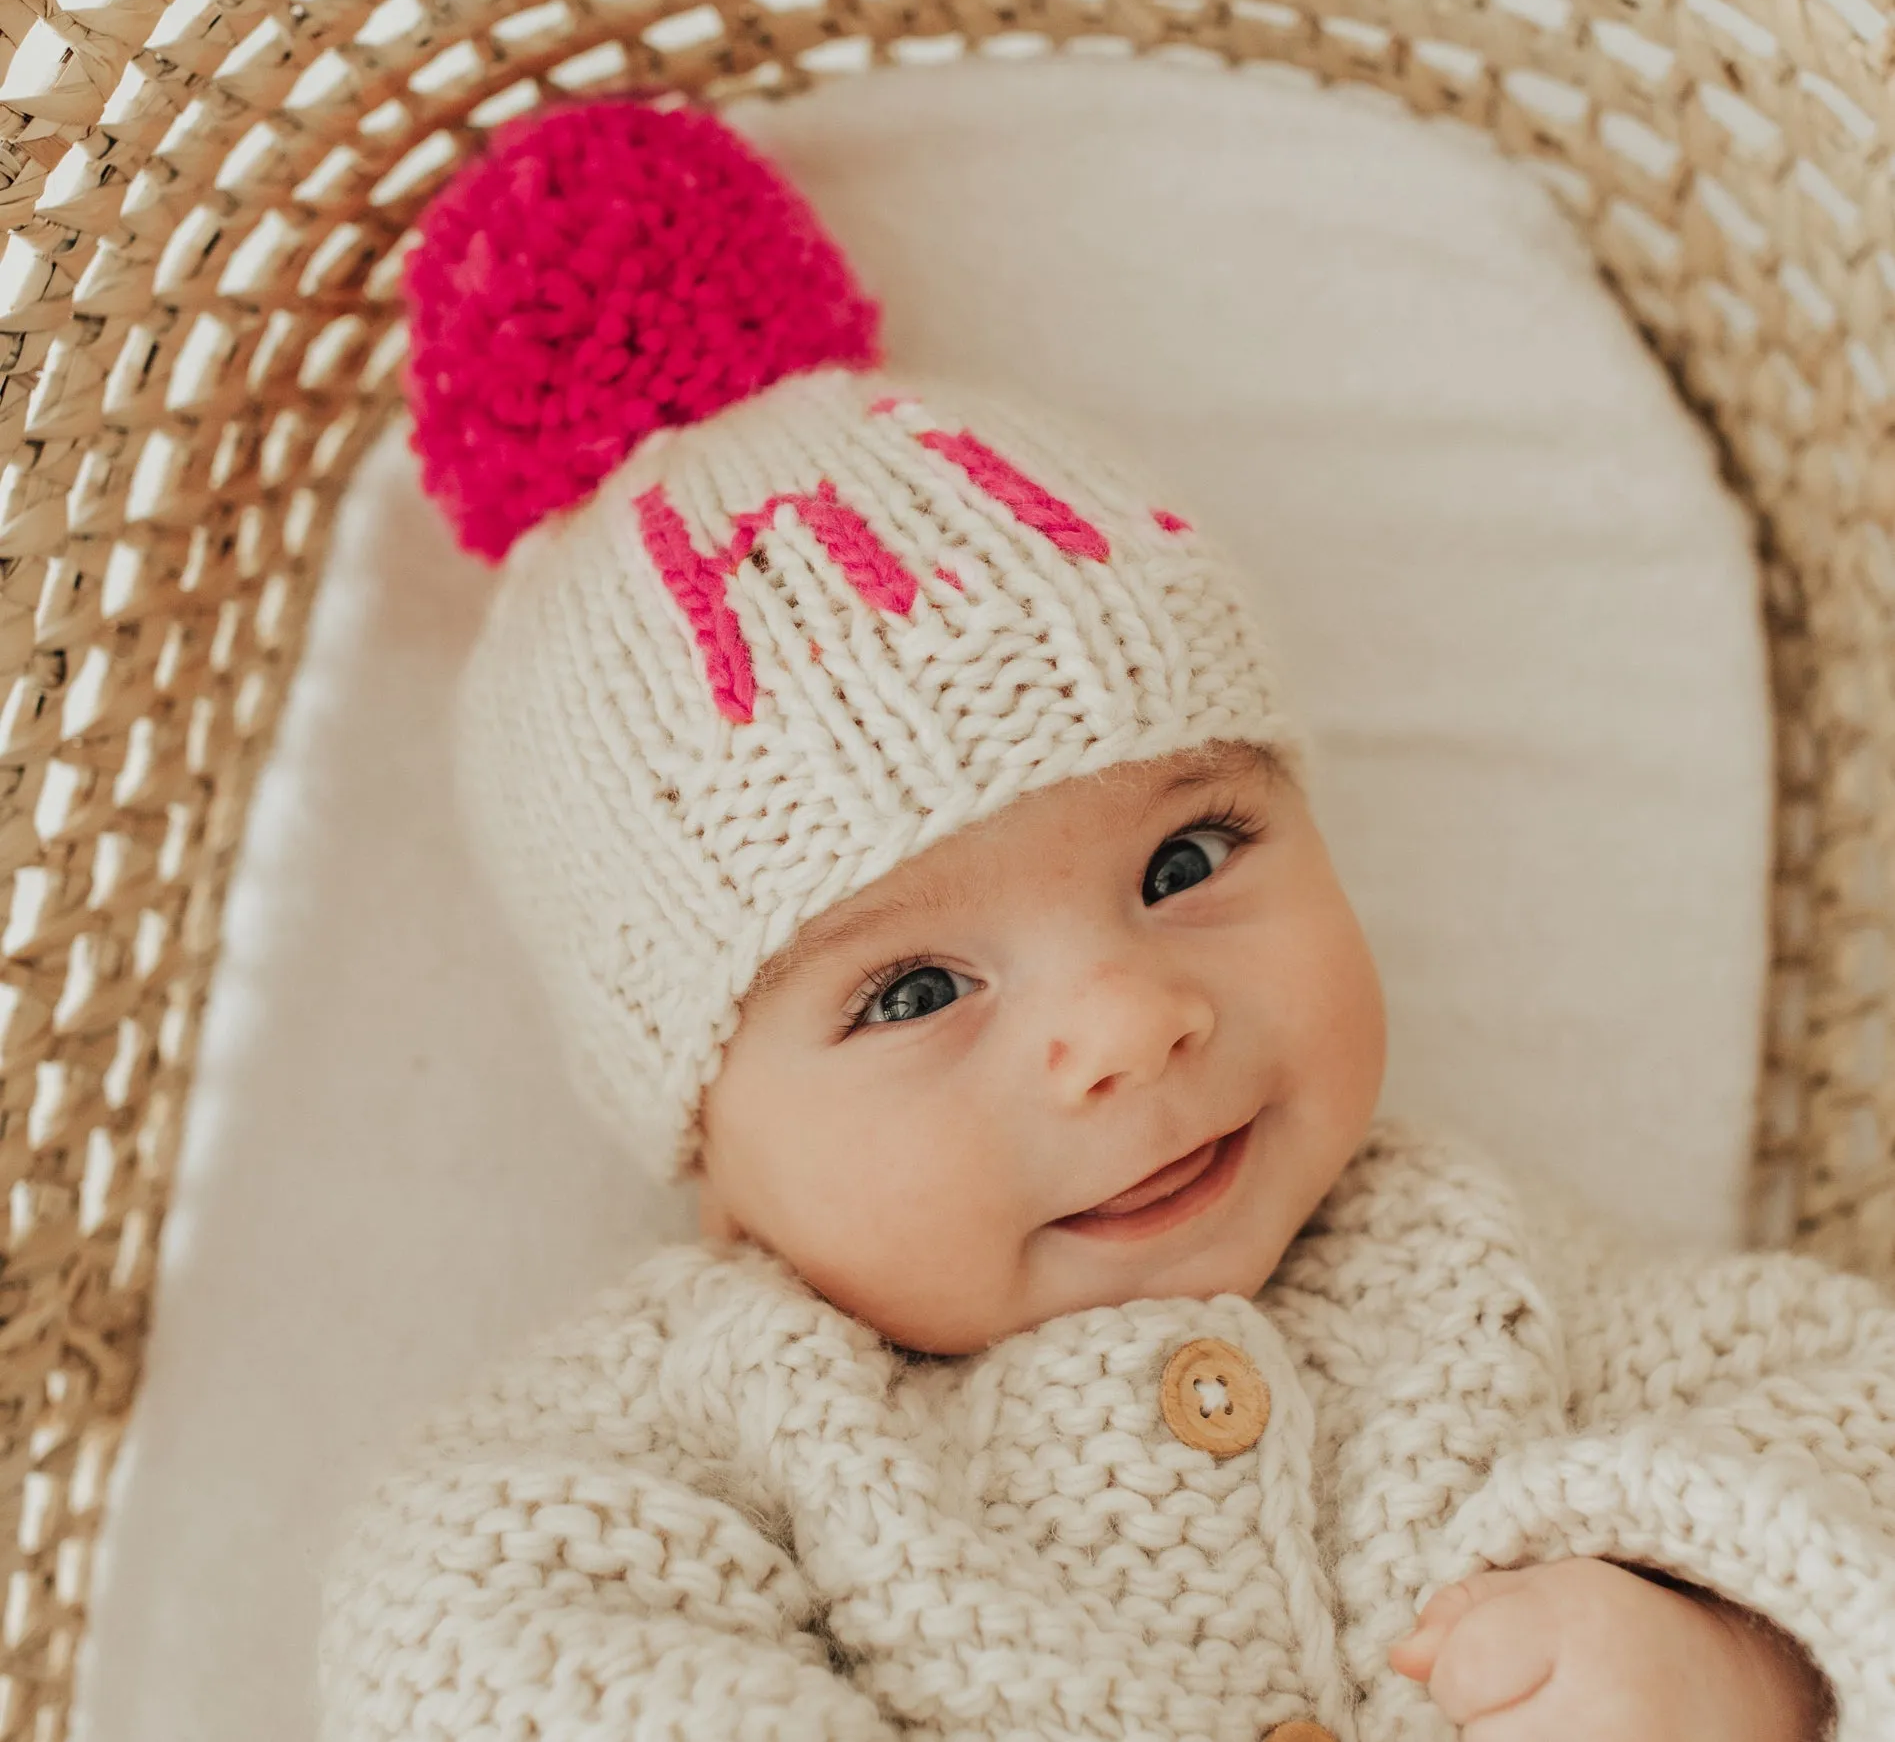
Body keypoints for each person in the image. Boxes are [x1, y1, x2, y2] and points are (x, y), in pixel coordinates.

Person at [318, 95, 1893, 1741]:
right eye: (916, 987)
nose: (1133, 1021)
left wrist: (1719, 1638)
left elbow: (1843, 1409)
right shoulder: (706, 1426)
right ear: (708, 1146)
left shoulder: (1466, 1271)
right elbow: (464, 1635)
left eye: (1185, 860)